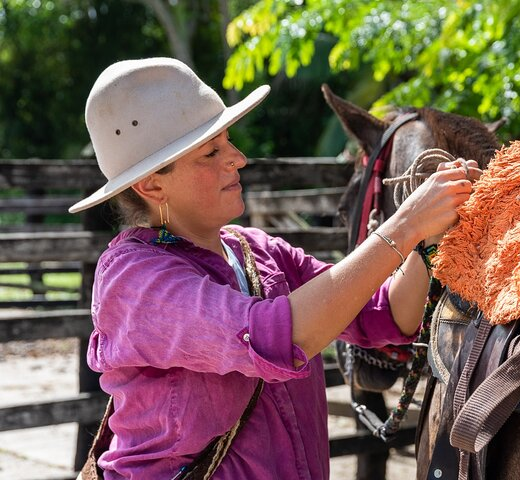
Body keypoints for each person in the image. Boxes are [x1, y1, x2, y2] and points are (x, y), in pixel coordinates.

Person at [70, 57, 479, 479]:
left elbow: (387, 313)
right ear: (152, 185)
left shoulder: (257, 250)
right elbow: (280, 335)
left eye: (227, 141)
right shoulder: (134, 281)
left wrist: (429, 234)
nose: (238, 158)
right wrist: (407, 222)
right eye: (212, 151)